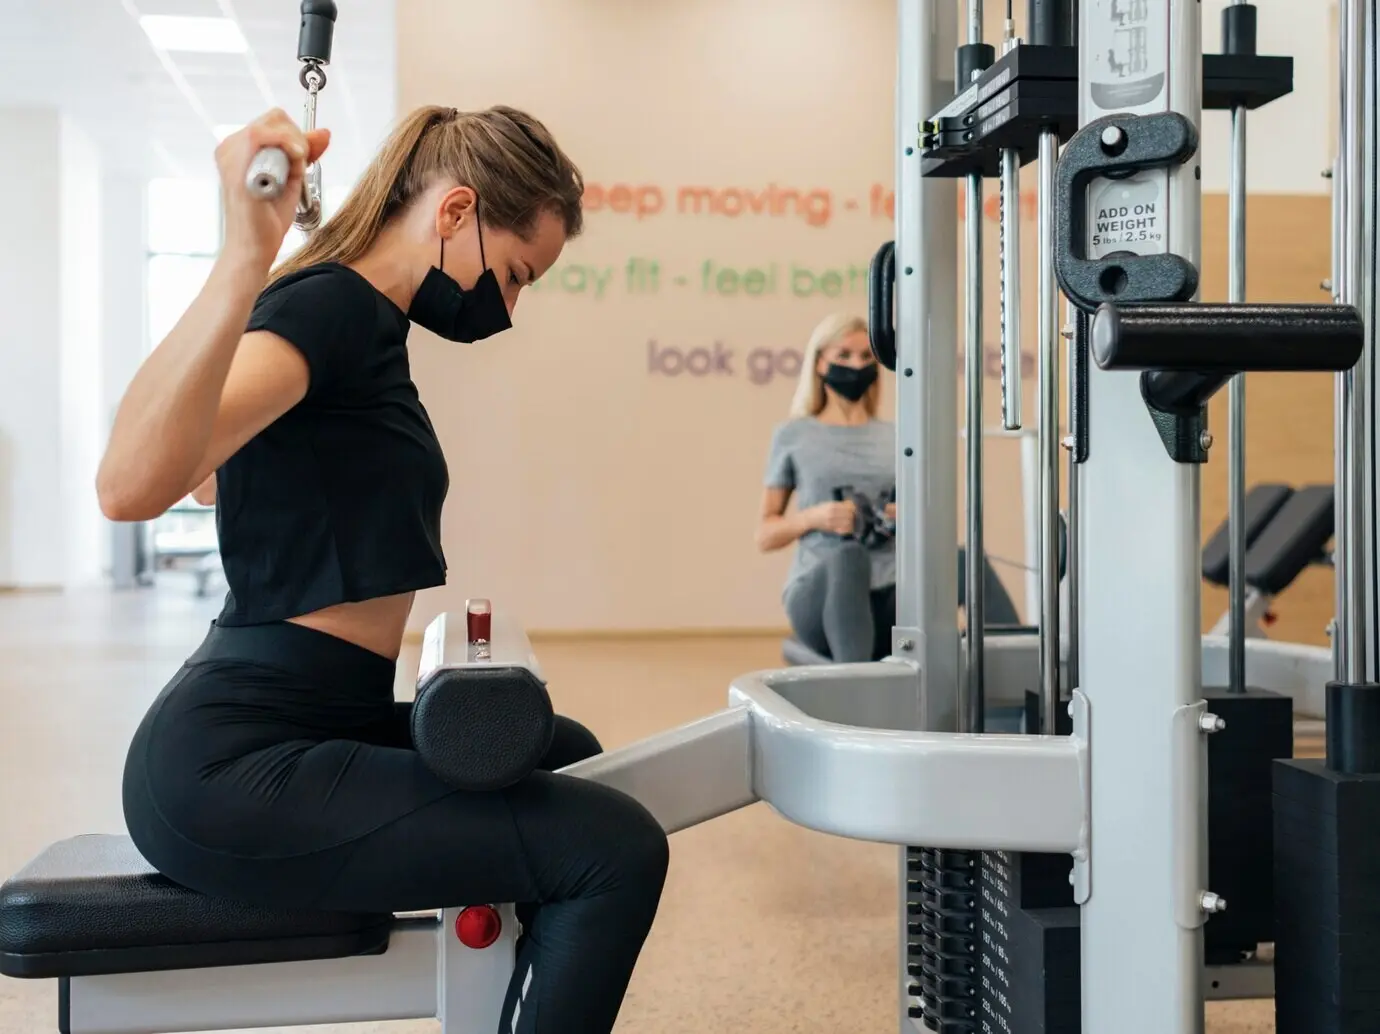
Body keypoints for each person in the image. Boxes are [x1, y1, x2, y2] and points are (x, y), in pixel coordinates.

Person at [101, 105, 669, 1034]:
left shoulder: (361, 323)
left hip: (322, 714)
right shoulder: (328, 307)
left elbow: (210, 470)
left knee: (572, 757)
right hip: (234, 766)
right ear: (457, 212)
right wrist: (244, 256)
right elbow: (131, 485)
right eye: (514, 275)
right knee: (615, 850)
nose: (508, 308)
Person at [756, 314, 897, 663]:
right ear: (820, 362)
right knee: (849, 556)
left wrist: (905, 517)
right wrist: (814, 518)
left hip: (890, 593)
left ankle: (1020, 679)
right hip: (819, 595)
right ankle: (856, 689)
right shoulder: (794, 435)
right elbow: (765, 535)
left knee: (964, 561)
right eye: (844, 355)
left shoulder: (897, 436)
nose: (856, 365)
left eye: (866, 356)